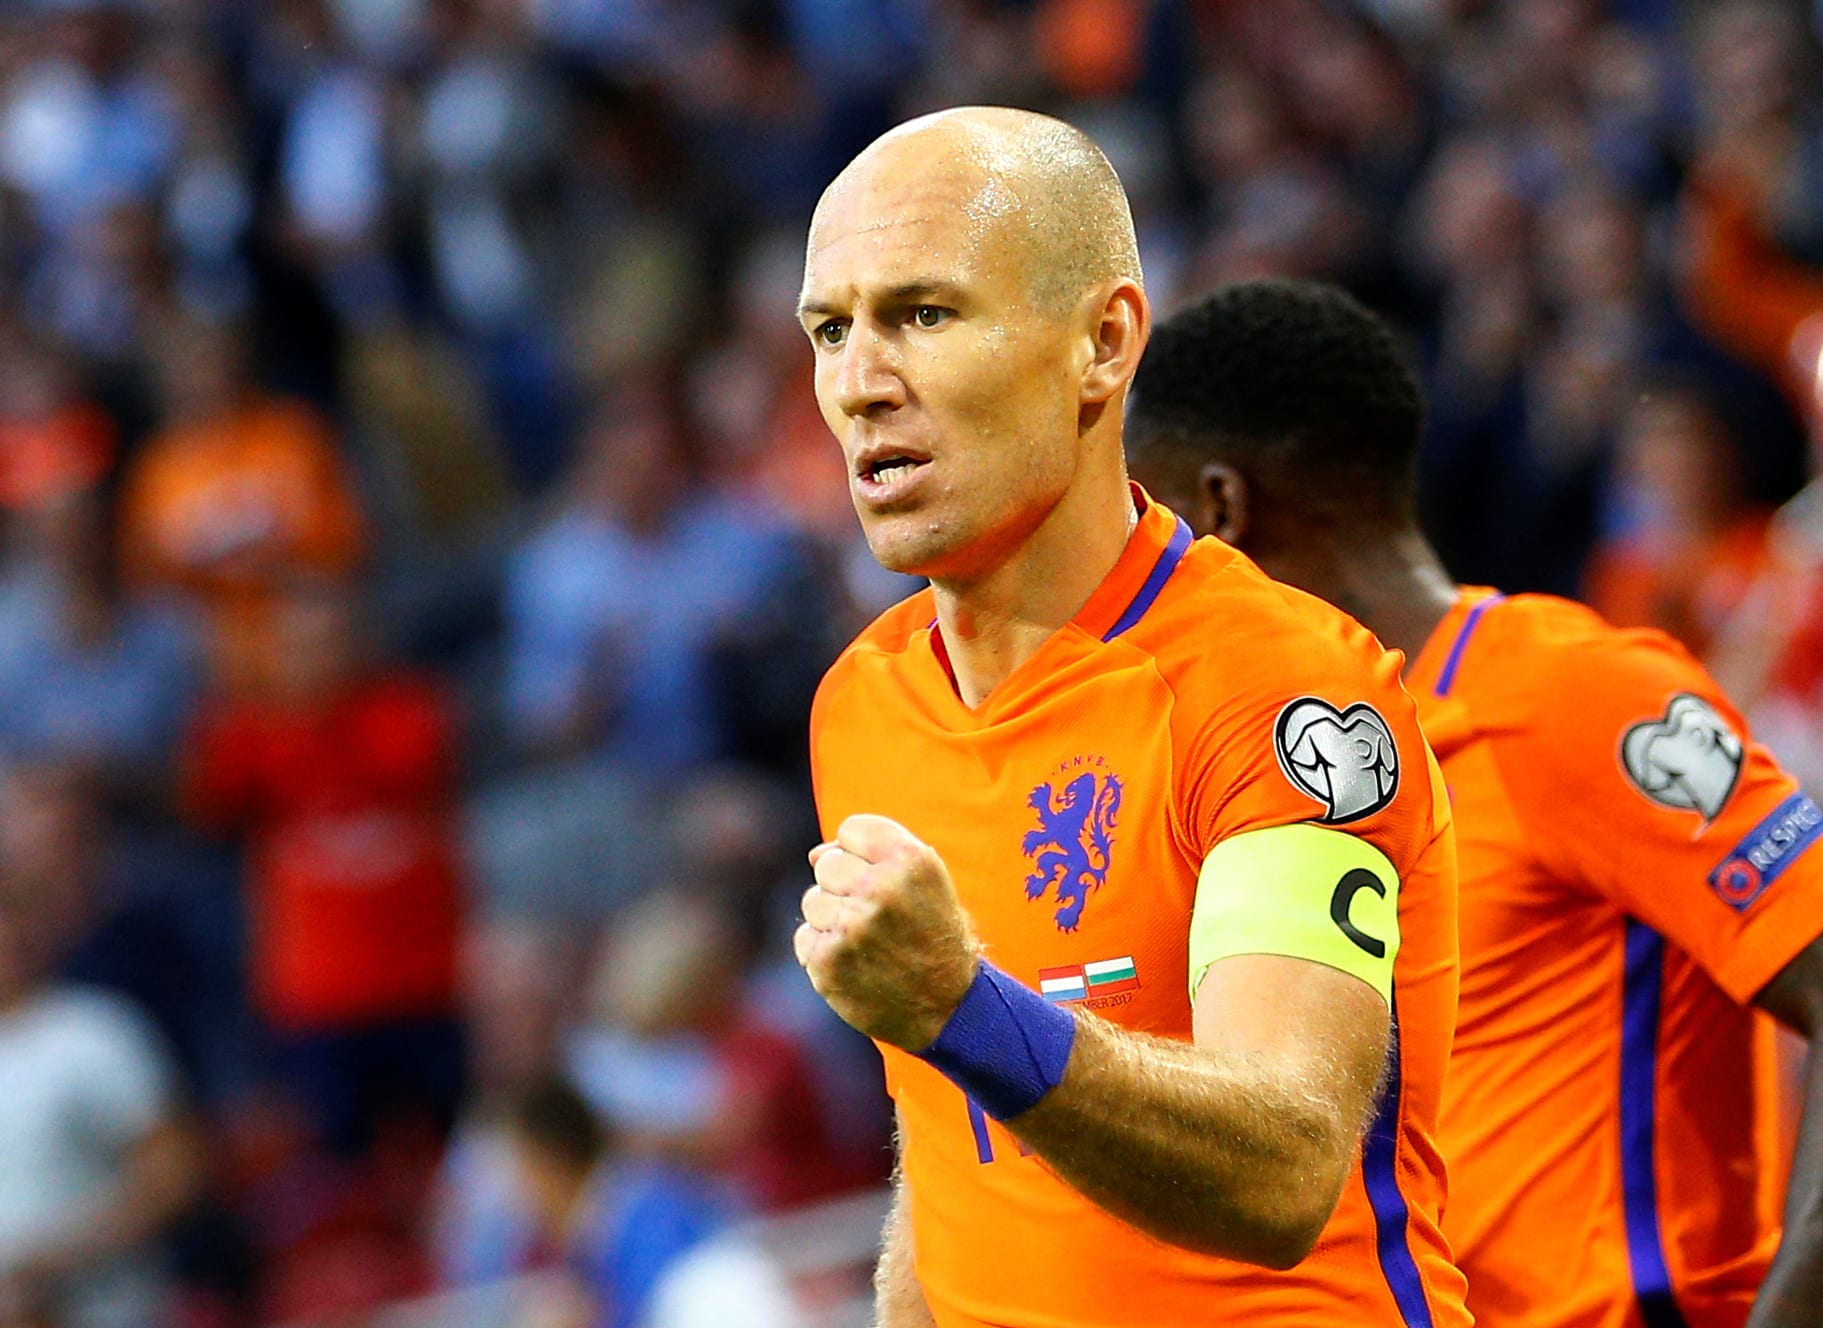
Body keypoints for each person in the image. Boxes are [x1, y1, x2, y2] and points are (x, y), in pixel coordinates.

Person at [793, 107, 1469, 1326]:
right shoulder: (861, 705)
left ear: (1101, 343)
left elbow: (1284, 1166)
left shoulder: (1278, 690)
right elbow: (947, 1152)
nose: (857, 384)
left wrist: (962, 1004)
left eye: (923, 315)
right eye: (830, 330)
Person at [1125, 276, 1823, 1328]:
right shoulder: (1270, 783)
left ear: (1221, 508)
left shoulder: (1570, 697)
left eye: (1146, 524)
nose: (1134, 579)